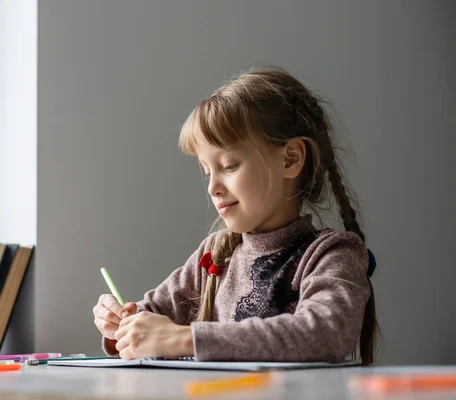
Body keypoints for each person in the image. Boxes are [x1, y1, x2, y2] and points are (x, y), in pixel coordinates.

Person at [93, 67, 378, 365]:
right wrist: (121, 324)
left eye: (229, 166)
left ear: (290, 159)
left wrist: (182, 338)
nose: (213, 188)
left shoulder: (333, 253)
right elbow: (151, 314)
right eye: (207, 172)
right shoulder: (215, 254)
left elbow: (324, 332)